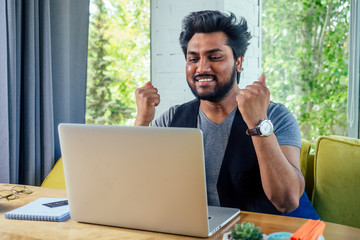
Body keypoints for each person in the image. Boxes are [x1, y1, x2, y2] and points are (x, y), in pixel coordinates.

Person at [134, 10, 319, 218]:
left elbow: (287, 200)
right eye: (193, 59)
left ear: (238, 63)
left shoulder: (275, 116)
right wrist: (142, 121)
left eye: (215, 57)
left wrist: (258, 122)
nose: (201, 68)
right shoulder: (172, 119)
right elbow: (135, 188)